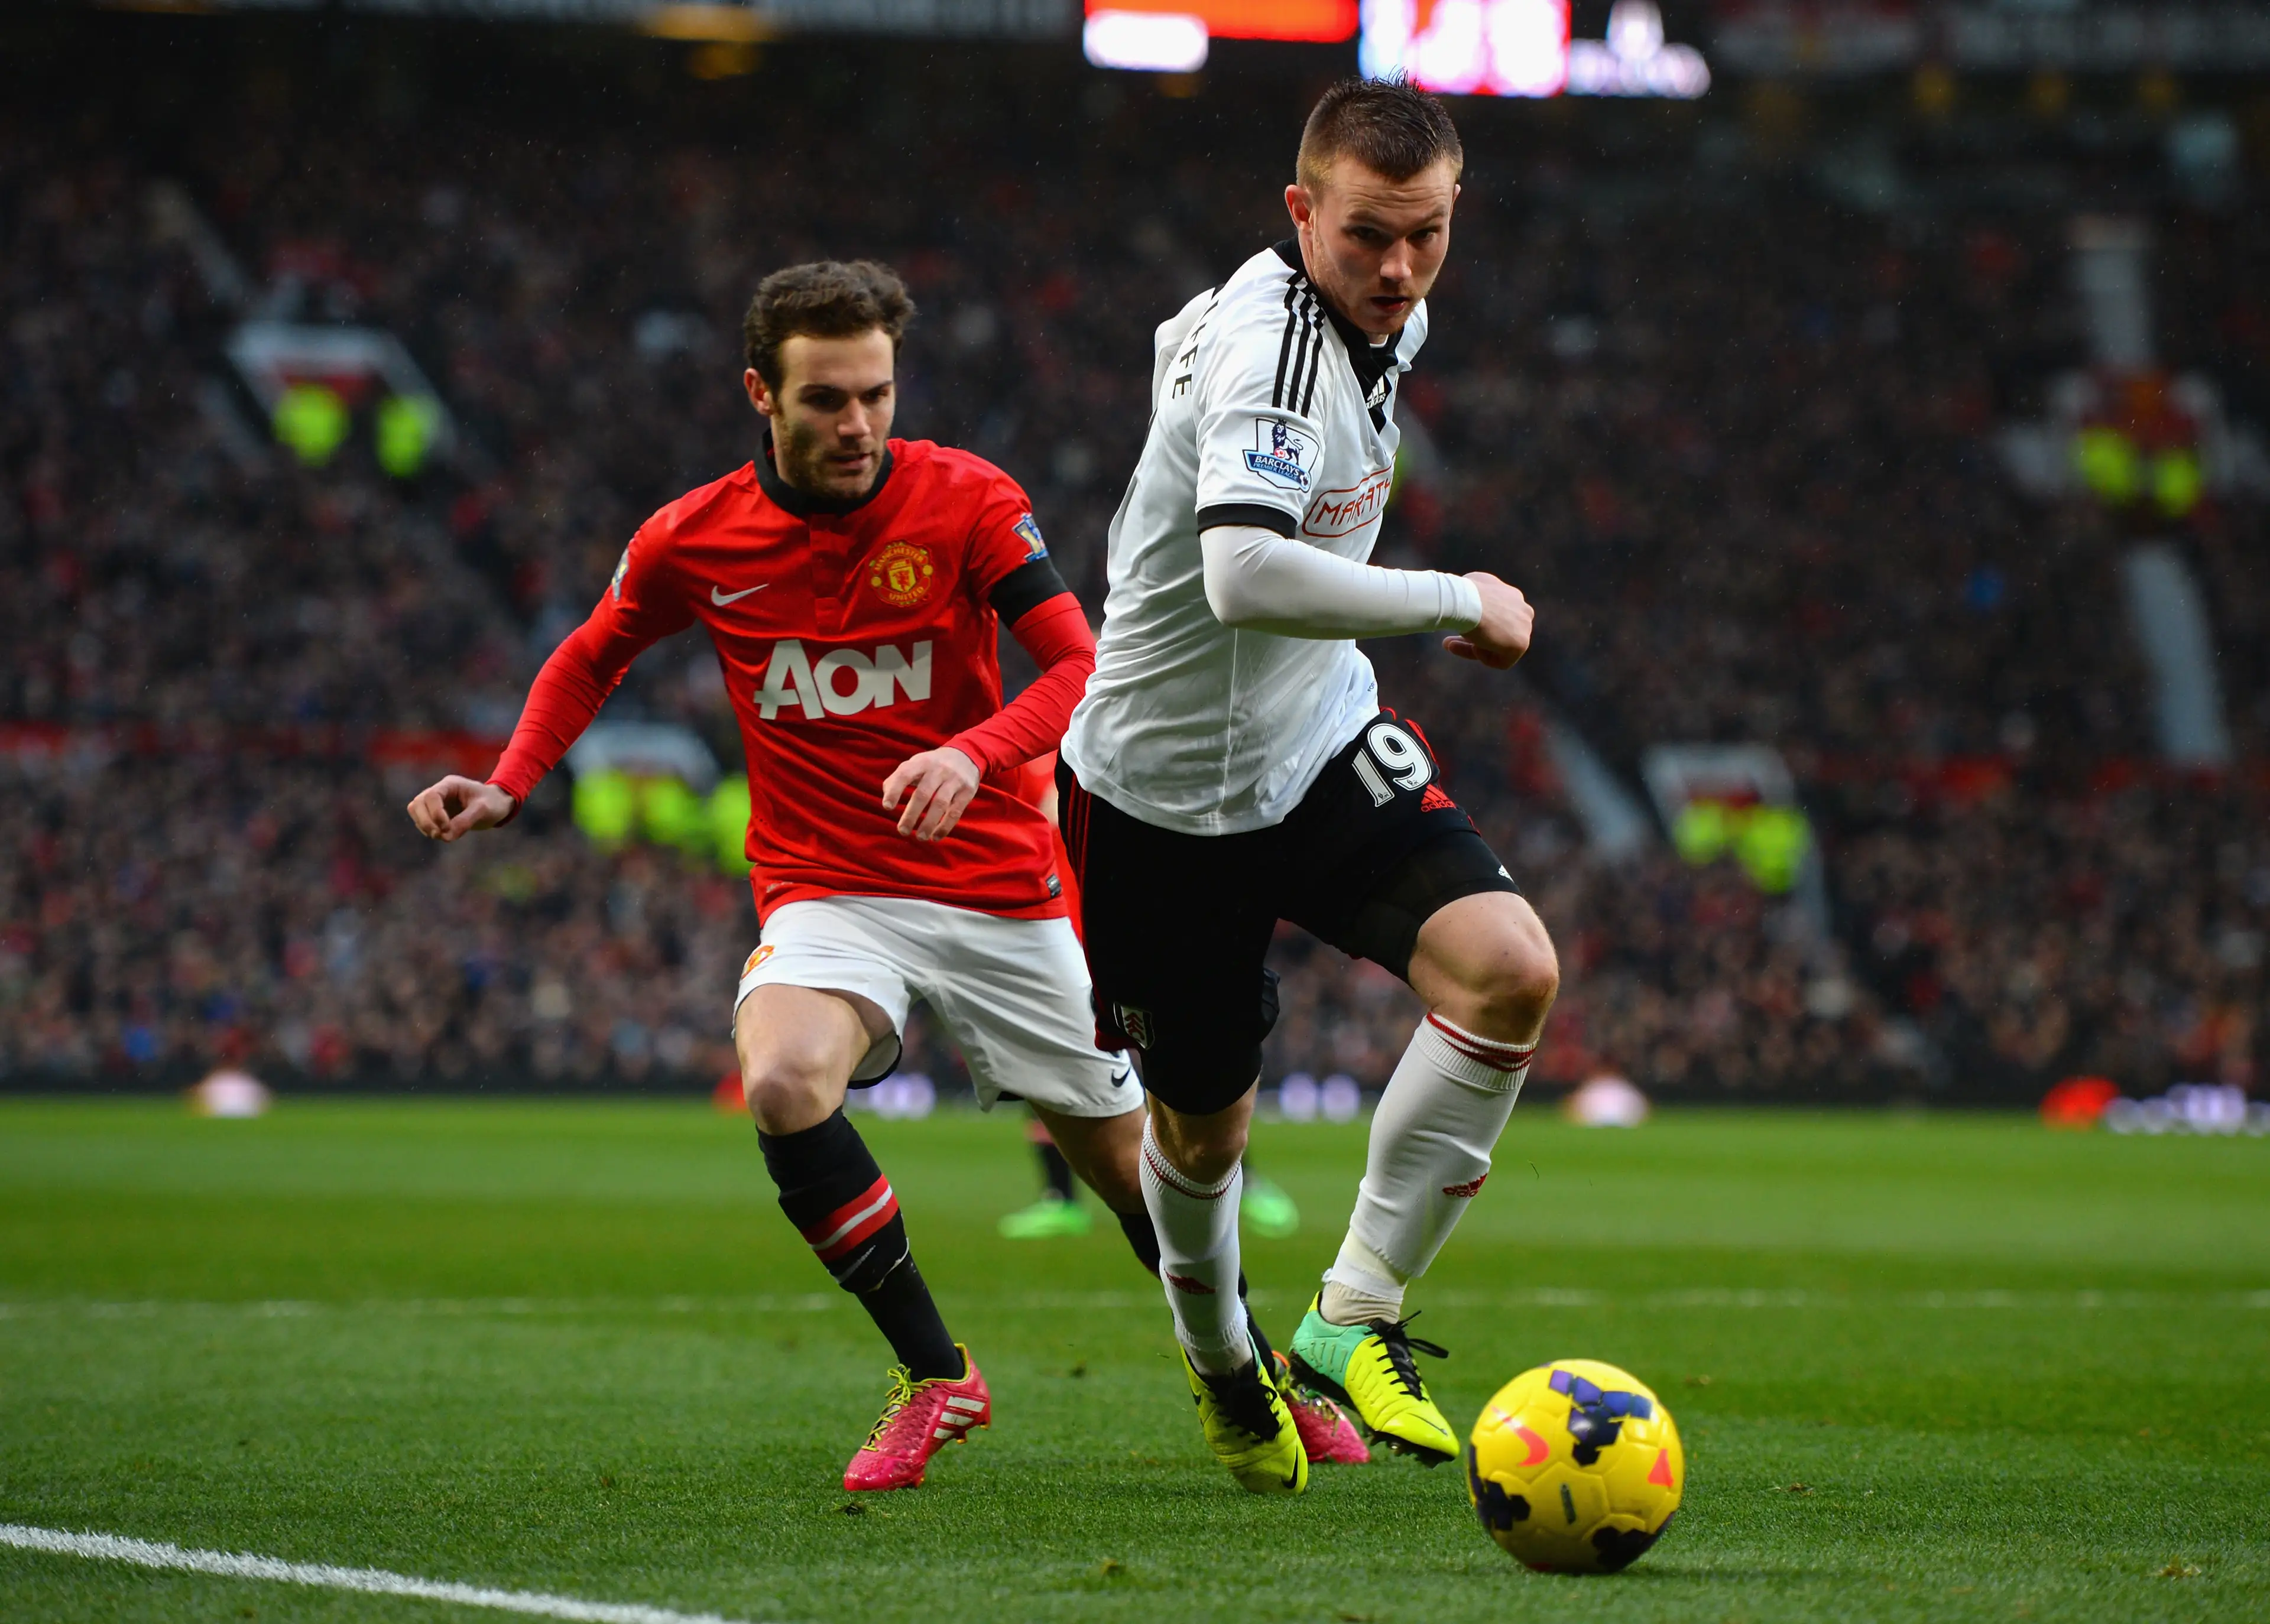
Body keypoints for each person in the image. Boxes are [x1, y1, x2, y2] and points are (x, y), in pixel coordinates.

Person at [406, 260, 1156, 1494]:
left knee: (1140, 1185)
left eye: (876, 394)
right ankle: (935, 1376)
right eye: (826, 401)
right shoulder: (695, 536)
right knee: (784, 1081)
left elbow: (1082, 665)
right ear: (763, 393)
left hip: (998, 884)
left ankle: (1246, 1371)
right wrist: (509, 782)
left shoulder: (968, 502)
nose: (857, 424)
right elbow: (593, 656)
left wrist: (976, 755)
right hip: (828, 887)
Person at [1058, 78, 1559, 1495]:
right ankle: (1224, 1358)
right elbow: (1242, 571)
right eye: (1365, 238)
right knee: (1203, 1131)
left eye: (1426, 235)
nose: (1398, 269)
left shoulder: (1378, 316)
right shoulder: (1272, 351)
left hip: (1320, 742)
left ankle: (1354, 1316)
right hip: (1157, 797)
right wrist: (1455, 596)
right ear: (1300, 214)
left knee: (1508, 972)